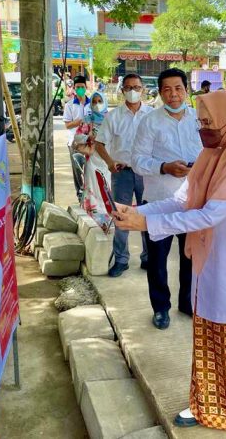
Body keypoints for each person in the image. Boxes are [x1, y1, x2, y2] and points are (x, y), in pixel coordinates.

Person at [114, 91, 226, 433]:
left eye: (209, 122)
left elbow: (207, 216)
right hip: (209, 261)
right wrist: (136, 212)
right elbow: (180, 200)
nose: (203, 129)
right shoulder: (210, 156)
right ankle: (208, 404)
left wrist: (146, 224)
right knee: (208, 334)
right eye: (201, 122)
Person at [131, 68, 202, 330]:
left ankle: (187, 302)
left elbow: (210, 152)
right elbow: (137, 160)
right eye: (167, 90)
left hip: (193, 201)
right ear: (160, 93)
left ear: (187, 90)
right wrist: (164, 167)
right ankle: (161, 308)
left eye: (178, 88)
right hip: (159, 200)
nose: (173, 95)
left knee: (191, 255)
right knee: (157, 261)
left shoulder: (199, 119)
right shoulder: (150, 122)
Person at [95, 73, 152, 277]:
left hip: (147, 174)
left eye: (136, 87)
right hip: (122, 174)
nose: (132, 91)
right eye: (128, 88)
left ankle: (148, 258)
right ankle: (121, 259)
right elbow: (99, 143)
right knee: (120, 215)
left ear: (143, 89)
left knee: (148, 214)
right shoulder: (114, 116)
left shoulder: (152, 115)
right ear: (122, 91)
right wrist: (110, 163)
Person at [74, 92, 113, 229]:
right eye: (94, 101)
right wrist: (88, 137)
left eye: (100, 101)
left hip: (109, 162)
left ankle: (109, 220)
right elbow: (77, 138)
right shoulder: (87, 119)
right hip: (93, 161)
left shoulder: (112, 119)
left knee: (108, 190)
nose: (97, 104)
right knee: (93, 191)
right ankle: (94, 222)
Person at [63, 75, 91, 198]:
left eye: (82, 87)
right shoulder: (69, 105)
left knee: (90, 170)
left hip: (90, 143)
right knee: (77, 170)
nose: (80, 89)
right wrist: (80, 121)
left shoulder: (93, 104)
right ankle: (80, 195)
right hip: (74, 143)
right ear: (74, 88)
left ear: (86, 87)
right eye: (78, 87)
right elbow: (67, 125)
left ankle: (90, 194)